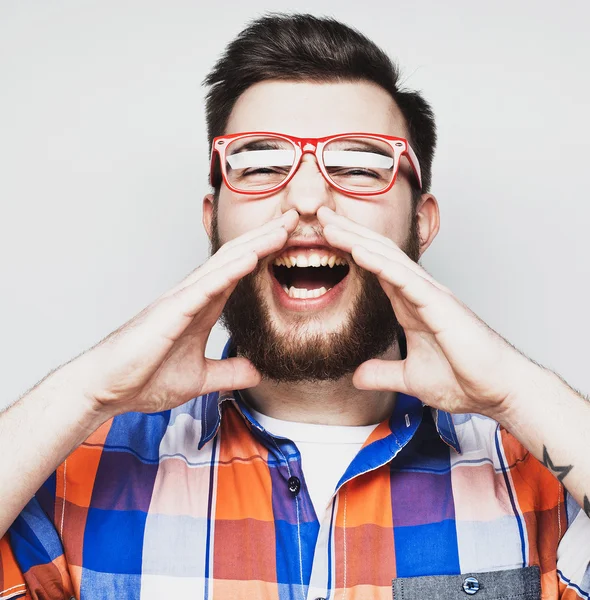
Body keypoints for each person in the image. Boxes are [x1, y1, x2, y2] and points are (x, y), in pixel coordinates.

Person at [1, 13, 589, 600]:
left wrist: (511, 391)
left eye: (360, 166)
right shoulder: (76, 470)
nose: (307, 198)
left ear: (421, 224)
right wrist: (90, 392)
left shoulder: (543, 462)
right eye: (260, 166)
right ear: (214, 223)